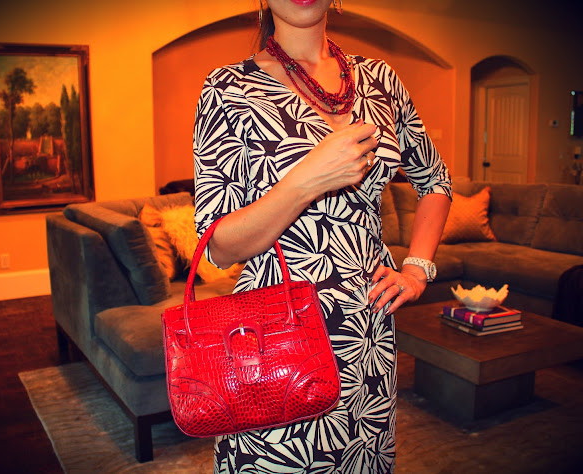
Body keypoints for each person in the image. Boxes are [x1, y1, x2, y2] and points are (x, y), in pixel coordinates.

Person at [193, 0, 452, 471]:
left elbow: (435, 180)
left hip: (368, 329)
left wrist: (417, 269)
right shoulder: (228, 89)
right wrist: (306, 180)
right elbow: (219, 246)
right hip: (277, 335)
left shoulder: (380, 80)